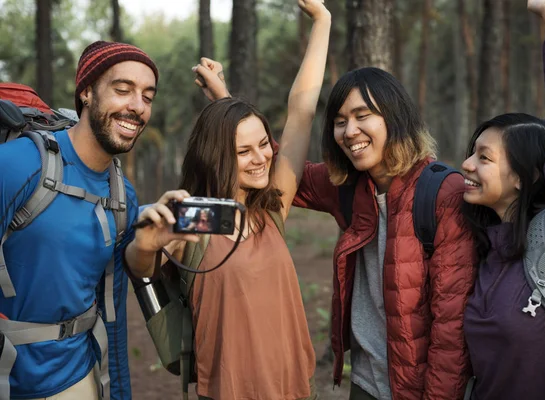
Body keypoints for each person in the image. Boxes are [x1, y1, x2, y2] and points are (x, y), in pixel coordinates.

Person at [200, 33, 477, 400]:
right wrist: (225, 103)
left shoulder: (443, 194)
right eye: (340, 121)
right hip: (363, 383)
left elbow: (451, 328)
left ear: (395, 118)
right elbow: (272, 163)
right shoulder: (346, 185)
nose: (350, 132)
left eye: (363, 117)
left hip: (415, 390)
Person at [123, 1, 331, 399]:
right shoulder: (196, 221)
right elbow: (141, 266)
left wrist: (322, 19)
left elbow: (301, 111)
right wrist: (143, 246)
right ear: (219, 156)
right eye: (244, 151)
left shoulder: (272, 209)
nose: (262, 158)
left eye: (263, 145)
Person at [0, 42, 160, 398]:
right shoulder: (16, 165)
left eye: (147, 97)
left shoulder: (123, 195)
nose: (137, 106)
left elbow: (113, 310)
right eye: (123, 90)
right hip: (9, 379)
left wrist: (117, 392)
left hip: (79, 379)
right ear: (86, 92)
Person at [461, 1, 545, 399]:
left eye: (483, 157)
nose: (466, 164)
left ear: (527, 177)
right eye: (472, 151)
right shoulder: (483, 246)